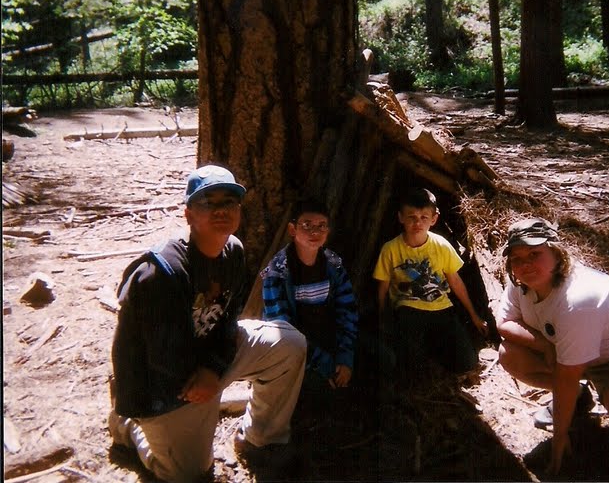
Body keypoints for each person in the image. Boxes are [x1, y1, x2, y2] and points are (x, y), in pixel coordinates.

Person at [108, 164, 307, 483]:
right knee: (189, 475)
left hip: (203, 362)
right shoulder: (162, 274)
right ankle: (130, 426)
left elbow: (230, 320)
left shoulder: (234, 252)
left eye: (228, 202)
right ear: (188, 214)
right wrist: (209, 381)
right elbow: (161, 360)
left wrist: (214, 368)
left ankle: (261, 439)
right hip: (159, 385)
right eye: (207, 202)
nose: (220, 210)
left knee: (289, 344)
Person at [495, 217, 609, 475]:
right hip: (569, 354)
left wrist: (558, 440)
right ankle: (578, 401)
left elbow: (567, 376)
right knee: (509, 354)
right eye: (516, 258)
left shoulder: (579, 298)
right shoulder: (523, 283)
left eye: (534, 253)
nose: (525, 263)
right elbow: (504, 322)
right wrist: (544, 346)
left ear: (556, 251)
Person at [373, 187, 488, 382]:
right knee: (409, 363)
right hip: (408, 309)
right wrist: (382, 316)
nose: (417, 223)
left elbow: (455, 281)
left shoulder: (440, 245)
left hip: (441, 308)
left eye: (424, 217)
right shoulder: (391, 249)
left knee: (467, 362)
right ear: (400, 217)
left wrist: (474, 316)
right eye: (411, 217)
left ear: (434, 219)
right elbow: (382, 286)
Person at [261, 198, 358, 391]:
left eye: (321, 226)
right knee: (317, 388)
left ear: (328, 231)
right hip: (295, 349)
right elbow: (283, 329)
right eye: (307, 225)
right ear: (292, 230)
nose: (315, 232)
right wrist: (325, 364)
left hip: (327, 340)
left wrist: (344, 356)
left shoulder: (333, 264)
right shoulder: (278, 271)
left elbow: (347, 311)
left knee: (383, 360)